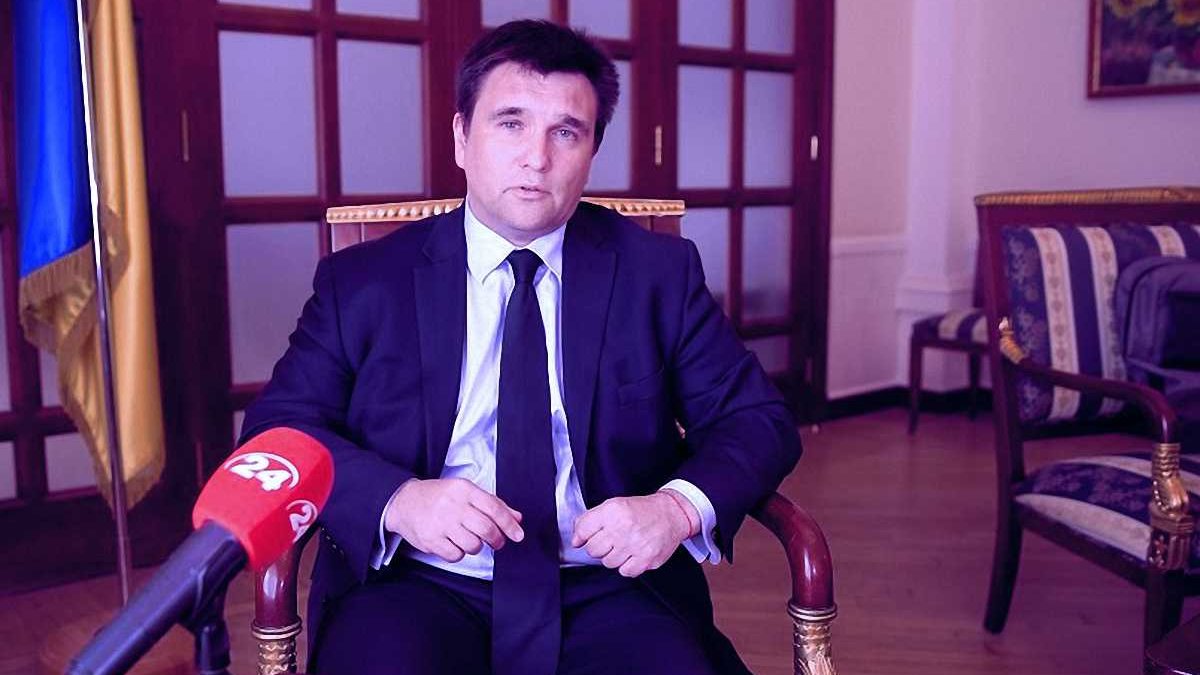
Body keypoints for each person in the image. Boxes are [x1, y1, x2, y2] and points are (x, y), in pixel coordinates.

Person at [240, 19, 801, 675]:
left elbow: (757, 420)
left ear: (591, 151)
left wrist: (674, 508)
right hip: (415, 579)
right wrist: (397, 499)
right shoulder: (364, 282)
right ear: (461, 137)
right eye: (511, 123)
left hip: (610, 584)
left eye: (567, 132)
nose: (537, 157)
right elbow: (276, 431)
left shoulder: (658, 274)